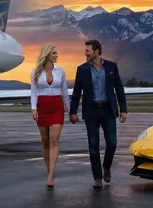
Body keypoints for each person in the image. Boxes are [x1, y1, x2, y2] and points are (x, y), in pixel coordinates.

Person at [68, 39, 128, 189]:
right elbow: (76, 92)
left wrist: (124, 110)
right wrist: (73, 112)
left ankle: (106, 166)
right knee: (93, 146)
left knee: (112, 144)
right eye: (85, 51)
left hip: (108, 110)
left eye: (88, 51)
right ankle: (97, 177)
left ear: (97, 51)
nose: (85, 53)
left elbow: (119, 88)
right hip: (91, 111)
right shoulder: (81, 69)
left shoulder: (111, 67)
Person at [29, 43, 70, 189]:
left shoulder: (60, 71)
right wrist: (33, 108)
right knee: (45, 140)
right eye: (54, 53)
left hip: (57, 107)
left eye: (56, 53)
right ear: (46, 55)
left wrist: (70, 110)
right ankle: (49, 171)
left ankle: (51, 174)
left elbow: (64, 92)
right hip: (42, 106)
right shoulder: (35, 72)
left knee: (54, 140)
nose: (56, 55)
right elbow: (34, 92)